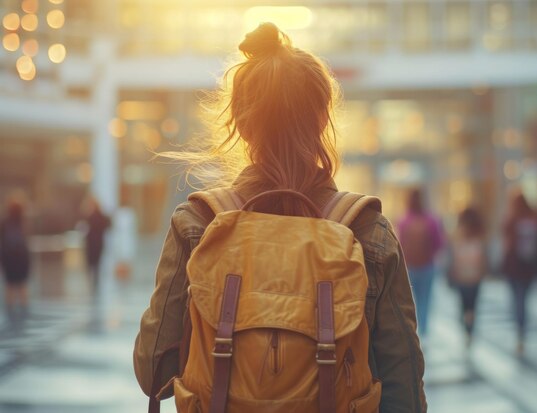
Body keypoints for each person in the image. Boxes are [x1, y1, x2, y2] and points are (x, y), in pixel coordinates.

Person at [134, 23, 427, 412]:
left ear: (240, 122)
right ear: (323, 119)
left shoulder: (199, 225)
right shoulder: (365, 231)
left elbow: (153, 370)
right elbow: (403, 392)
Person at [397, 188, 444, 337]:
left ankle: (414, 330)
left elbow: (399, 245)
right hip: (427, 266)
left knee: (412, 301)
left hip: (409, 267)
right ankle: (424, 331)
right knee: (426, 299)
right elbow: (439, 243)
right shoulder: (431, 220)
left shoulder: (403, 221)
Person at [502, 190, 537, 355]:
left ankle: (520, 332)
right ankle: (522, 330)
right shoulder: (534, 219)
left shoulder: (512, 220)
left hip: (514, 267)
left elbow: (507, 244)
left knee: (517, 300)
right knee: (523, 299)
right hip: (529, 268)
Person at [447, 207, 487, 347]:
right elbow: (483, 258)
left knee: (464, 306)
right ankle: (469, 330)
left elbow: (453, 258)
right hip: (473, 277)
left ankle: (467, 330)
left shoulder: (458, 234)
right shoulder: (478, 235)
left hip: (463, 277)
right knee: (472, 306)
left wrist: (453, 273)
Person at [0, 194, 31, 326]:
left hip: (9, 258)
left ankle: (10, 312)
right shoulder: (23, 222)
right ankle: (23, 312)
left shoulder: (4, 222)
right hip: (21, 257)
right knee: (22, 286)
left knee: (10, 286)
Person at [81, 196, 111, 294]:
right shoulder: (94, 215)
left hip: (95, 243)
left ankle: (94, 282)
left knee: (94, 263)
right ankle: (94, 282)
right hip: (95, 243)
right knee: (94, 264)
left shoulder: (96, 216)